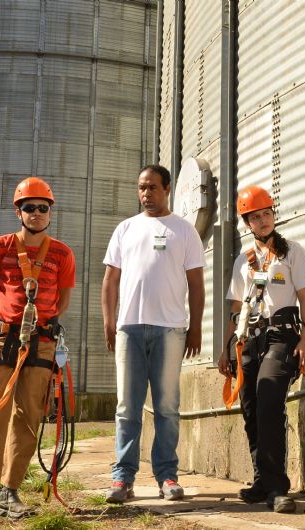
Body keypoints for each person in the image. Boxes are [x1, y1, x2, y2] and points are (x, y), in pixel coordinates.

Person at [0, 176, 75, 527]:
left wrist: (39, 327)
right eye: (30, 207)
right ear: (18, 211)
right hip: (4, 338)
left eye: (43, 207)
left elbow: (61, 302)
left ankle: (9, 492)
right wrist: (9, 322)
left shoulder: (62, 253)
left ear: (51, 211)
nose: (37, 213)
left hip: (42, 341)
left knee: (29, 416)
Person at [102, 164, 205, 503]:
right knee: (127, 407)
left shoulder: (185, 231)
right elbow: (110, 280)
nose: (146, 193)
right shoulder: (125, 228)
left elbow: (196, 284)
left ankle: (167, 475)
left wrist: (195, 328)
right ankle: (122, 478)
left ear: (168, 189)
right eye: (142, 187)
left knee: (166, 406)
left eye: (152, 188)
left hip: (171, 329)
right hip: (129, 328)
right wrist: (109, 320)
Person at [218, 185, 305, 513]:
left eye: (266, 214)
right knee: (251, 409)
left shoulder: (292, 252)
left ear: (274, 214)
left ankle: (277, 488)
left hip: (281, 335)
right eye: (255, 217)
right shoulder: (244, 261)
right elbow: (235, 306)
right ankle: (262, 480)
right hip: (248, 340)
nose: (262, 221)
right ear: (247, 222)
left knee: (270, 401)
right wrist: (225, 347)